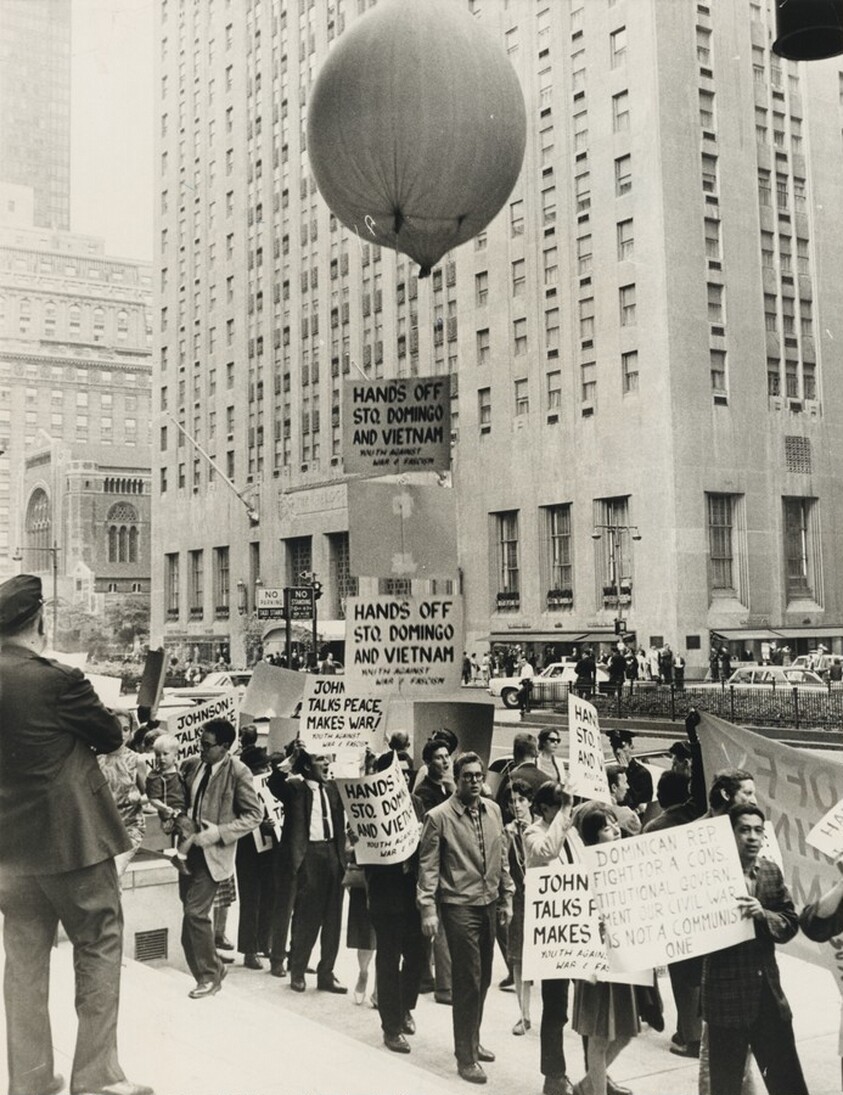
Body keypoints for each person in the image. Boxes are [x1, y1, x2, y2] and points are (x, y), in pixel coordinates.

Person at [0, 573, 153, 1095]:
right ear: (38, 622)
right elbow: (111, 736)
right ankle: (96, 1077)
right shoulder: (59, 679)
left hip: (10, 854)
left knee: (22, 962)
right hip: (72, 843)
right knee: (99, 943)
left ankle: (31, 1081)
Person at [417, 751, 515, 1085]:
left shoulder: (494, 810)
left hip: (488, 903)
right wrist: (428, 909)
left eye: (478, 775)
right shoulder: (438, 817)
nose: (474, 781)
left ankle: (473, 1039)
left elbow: (502, 857)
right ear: (456, 779)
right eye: (467, 776)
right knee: (468, 980)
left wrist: (507, 897)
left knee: (484, 977)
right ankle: (466, 1056)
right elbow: (427, 867)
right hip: (459, 906)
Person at [702, 804, 808, 1095]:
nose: (752, 837)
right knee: (725, 1087)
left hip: (768, 999)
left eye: (757, 830)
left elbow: (790, 922)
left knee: (788, 1084)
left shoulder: (770, 872)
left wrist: (764, 915)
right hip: (726, 1002)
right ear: (730, 833)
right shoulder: (706, 876)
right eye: (744, 829)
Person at [178, 718, 262, 998]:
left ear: (225, 747)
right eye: (200, 742)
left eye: (207, 745)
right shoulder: (193, 765)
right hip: (188, 852)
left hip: (214, 855)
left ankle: (210, 976)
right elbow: (184, 802)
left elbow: (254, 815)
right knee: (189, 920)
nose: (201, 748)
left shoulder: (239, 772)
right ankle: (209, 971)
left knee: (195, 914)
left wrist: (219, 833)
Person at [267, 747, 348, 992]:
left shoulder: (335, 789)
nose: (325, 763)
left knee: (333, 919)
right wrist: (291, 759)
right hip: (308, 856)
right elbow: (274, 782)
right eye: (319, 759)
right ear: (306, 766)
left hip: (333, 854)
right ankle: (298, 970)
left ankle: (326, 973)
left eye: (326, 758)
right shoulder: (295, 789)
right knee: (307, 918)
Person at [572, 803, 639, 1095]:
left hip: (624, 959)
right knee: (599, 1039)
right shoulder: (583, 869)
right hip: (597, 962)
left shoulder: (626, 863)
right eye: (606, 827)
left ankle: (587, 1086)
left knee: (625, 1031)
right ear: (593, 836)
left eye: (615, 825)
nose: (615, 831)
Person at [364, 750, 426, 1054]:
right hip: (385, 895)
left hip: (413, 894)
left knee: (416, 957)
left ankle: (404, 1008)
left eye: (405, 772)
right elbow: (365, 854)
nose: (401, 778)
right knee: (388, 960)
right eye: (394, 773)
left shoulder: (415, 804)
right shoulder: (368, 807)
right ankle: (390, 1026)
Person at [523, 782, 582, 1095]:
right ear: (543, 808)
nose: (565, 811)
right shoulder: (533, 833)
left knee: (590, 1004)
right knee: (556, 1007)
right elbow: (548, 851)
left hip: (577, 926)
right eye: (559, 805)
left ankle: (596, 1071)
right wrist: (565, 813)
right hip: (553, 933)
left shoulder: (568, 830)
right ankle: (553, 1075)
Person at [642, 769, 702, 1059]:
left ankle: (692, 1039)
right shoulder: (699, 815)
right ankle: (690, 1030)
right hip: (703, 907)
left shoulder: (654, 828)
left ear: (662, 795)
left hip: (675, 912)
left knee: (683, 978)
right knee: (699, 976)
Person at [235, 745, 278, 969]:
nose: (268, 770)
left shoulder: (270, 788)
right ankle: (249, 950)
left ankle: (265, 943)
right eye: (263, 767)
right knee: (251, 900)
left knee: (269, 897)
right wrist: (259, 823)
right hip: (248, 850)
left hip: (269, 848)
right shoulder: (239, 789)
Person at [98, 710, 148, 879]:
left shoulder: (137, 760)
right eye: (116, 728)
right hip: (101, 829)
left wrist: (139, 799)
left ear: (131, 732)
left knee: (113, 874)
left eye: (126, 729)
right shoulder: (95, 758)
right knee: (104, 881)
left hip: (129, 828)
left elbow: (150, 796)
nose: (121, 734)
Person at [506, 778, 534, 1038]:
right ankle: (523, 1014)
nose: (517, 805)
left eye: (521, 800)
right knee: (519, 959)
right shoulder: (507, 832)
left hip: (541, 900)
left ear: (530, 802)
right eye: (512, 801)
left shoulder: (540, 829)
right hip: (518, 900)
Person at [146, 733, 194, 873]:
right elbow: (152, 798)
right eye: (158, 755)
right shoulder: (156, 776)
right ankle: (180, 857)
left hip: (184, 809)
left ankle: (185, 854)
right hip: (171, 812)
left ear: (176, 755)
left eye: (165, 754)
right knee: (189, 828)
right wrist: (164, 808)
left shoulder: (180, 770)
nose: (161, 759)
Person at [606, 730, 653, 815]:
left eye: (622, 747)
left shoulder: (642, 774)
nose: (618, 751)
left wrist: (624, 773)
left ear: (631, 746)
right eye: (615, 747)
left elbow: (636, 805)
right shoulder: (612, 771)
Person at [604, 763, 642, 837]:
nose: (627, 786)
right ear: (614, 787)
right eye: (624, 782)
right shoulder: (627, 815)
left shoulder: (586, 812)